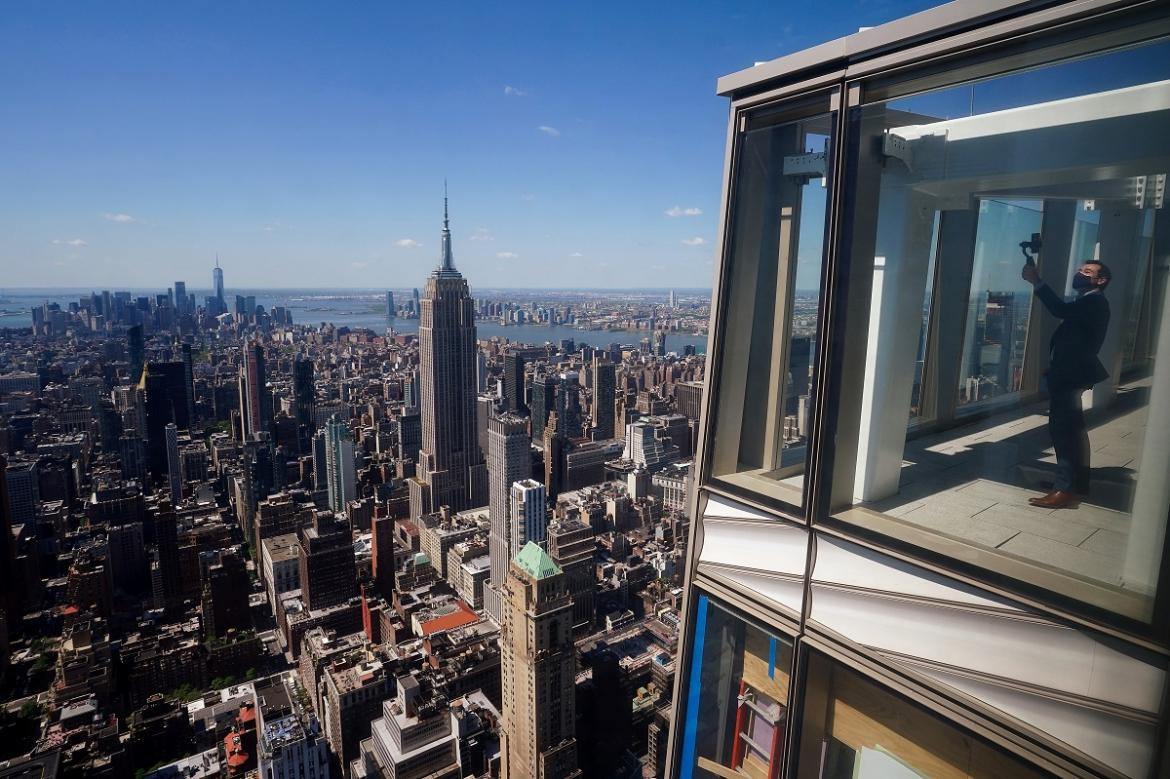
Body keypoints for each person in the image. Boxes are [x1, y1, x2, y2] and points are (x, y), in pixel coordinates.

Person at [1021, 259, 1111, 509]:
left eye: (1087, 272)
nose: (1079, 273)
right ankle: (1075, 485)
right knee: (1073, 431)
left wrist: (1036, 281)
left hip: (1071, 376)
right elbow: (1076, 340)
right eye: (1080, 269)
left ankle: (1065, 490)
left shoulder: (1093, 301)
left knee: (1063, 432)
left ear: (1100, 280)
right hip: (1070, 372)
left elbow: (1059, 309)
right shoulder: (1090, 302)